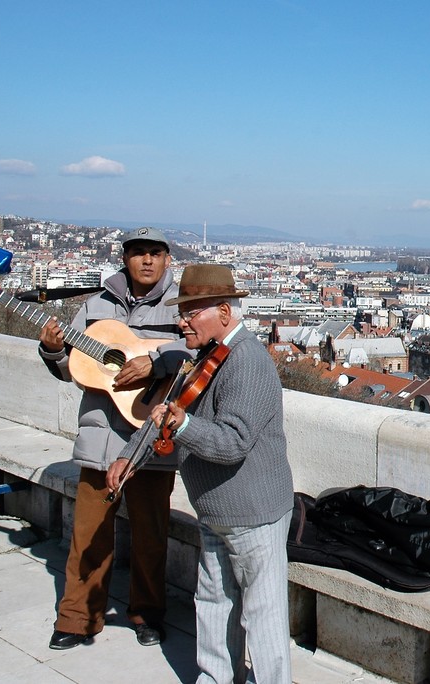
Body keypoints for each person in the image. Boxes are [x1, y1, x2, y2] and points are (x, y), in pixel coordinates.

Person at [110, 264, 293, 683]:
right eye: (182, 313)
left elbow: (233, 442)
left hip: (253, 513)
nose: (182, 322)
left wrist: (184, 426)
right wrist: (128, 458)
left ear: (224, 313)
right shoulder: (206, 357)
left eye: (191, 313)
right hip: (215, 510)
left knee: (262, 617)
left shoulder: (247, 361)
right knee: (212, 603)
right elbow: (165, 415)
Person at [38, 227, 186, 650]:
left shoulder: (181, 304)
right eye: (138, 253)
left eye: (155, 253)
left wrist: (155, 362)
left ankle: (146, 614)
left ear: (167, 259)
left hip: (152, 434)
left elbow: (200, 352)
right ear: (125, 258)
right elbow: (73, 368)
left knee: (150, 533)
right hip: (100, 435)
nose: (147, 260)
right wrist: (53, 350)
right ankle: (77, 618)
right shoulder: (95, 306)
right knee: (88, 533)